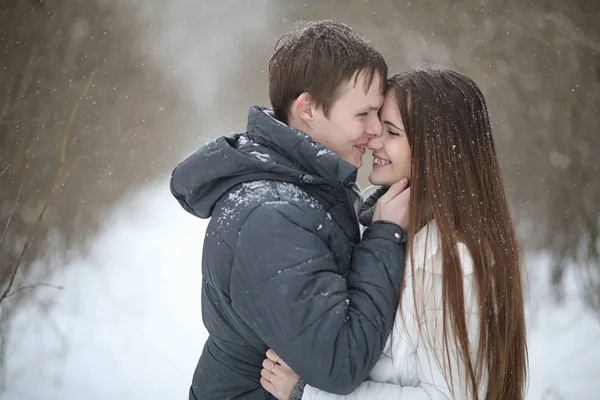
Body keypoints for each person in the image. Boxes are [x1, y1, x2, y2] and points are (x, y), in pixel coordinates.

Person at [170, 20, 411, 400]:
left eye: (378, 115)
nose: (376, 131)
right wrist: (384, 238)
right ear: (308, 108)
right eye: (363, 115)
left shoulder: (310, 190)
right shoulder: (271, 215)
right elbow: (339, 364)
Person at [260, 68, 529, 400]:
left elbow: (447, 397)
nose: (373, 139)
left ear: (436, 149)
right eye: (375, 125)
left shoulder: (447, 259)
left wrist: (310, 392)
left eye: (391, 131)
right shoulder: (397, 232)